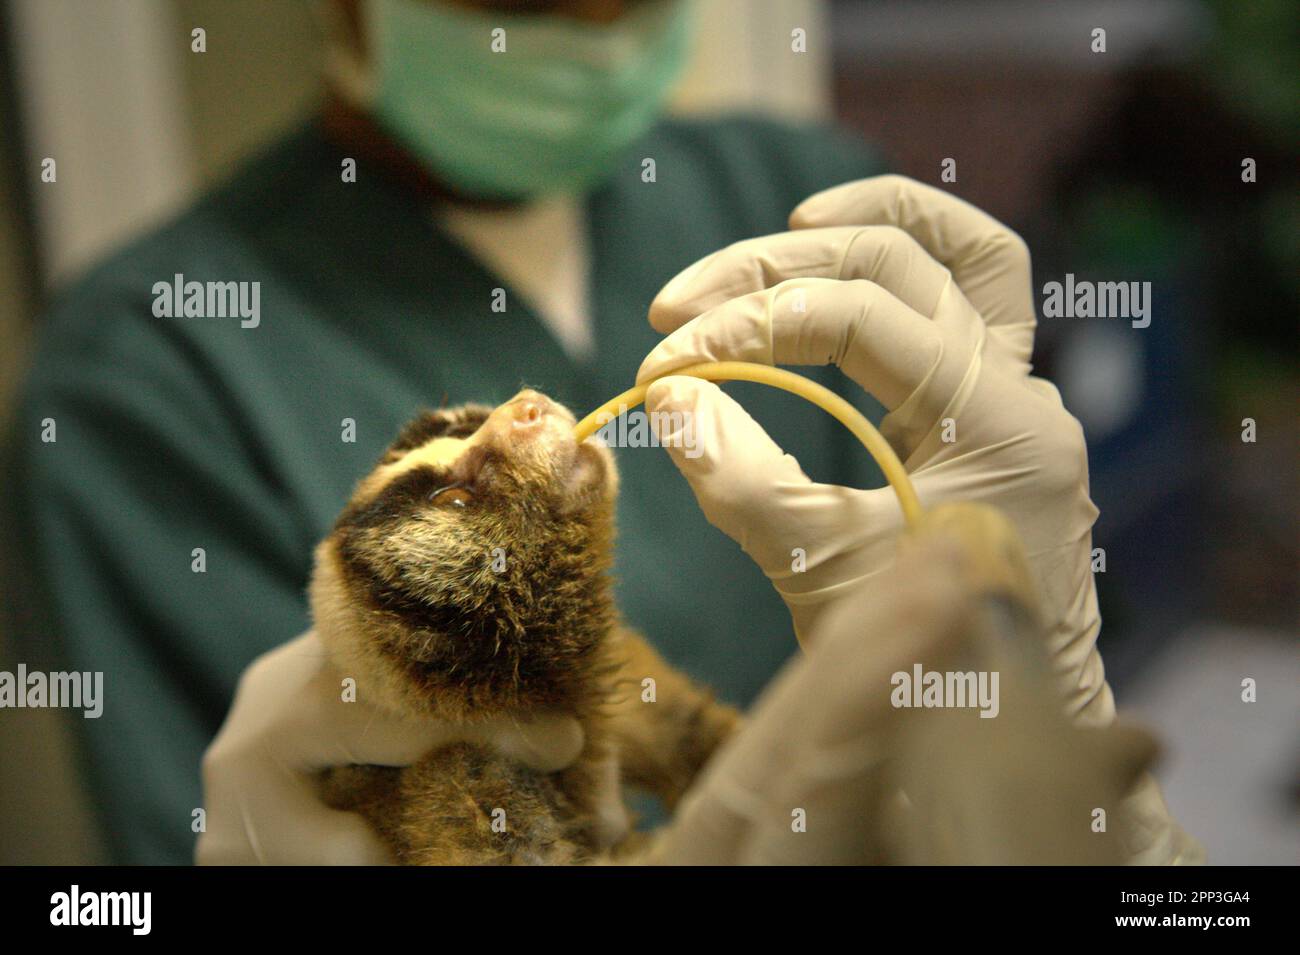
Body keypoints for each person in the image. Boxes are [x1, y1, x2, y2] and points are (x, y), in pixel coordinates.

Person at [6, 0, 1199, 864]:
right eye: (519, 0)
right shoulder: (152, 371)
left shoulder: (791, 190)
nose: (590, 24)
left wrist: (1029, 675)